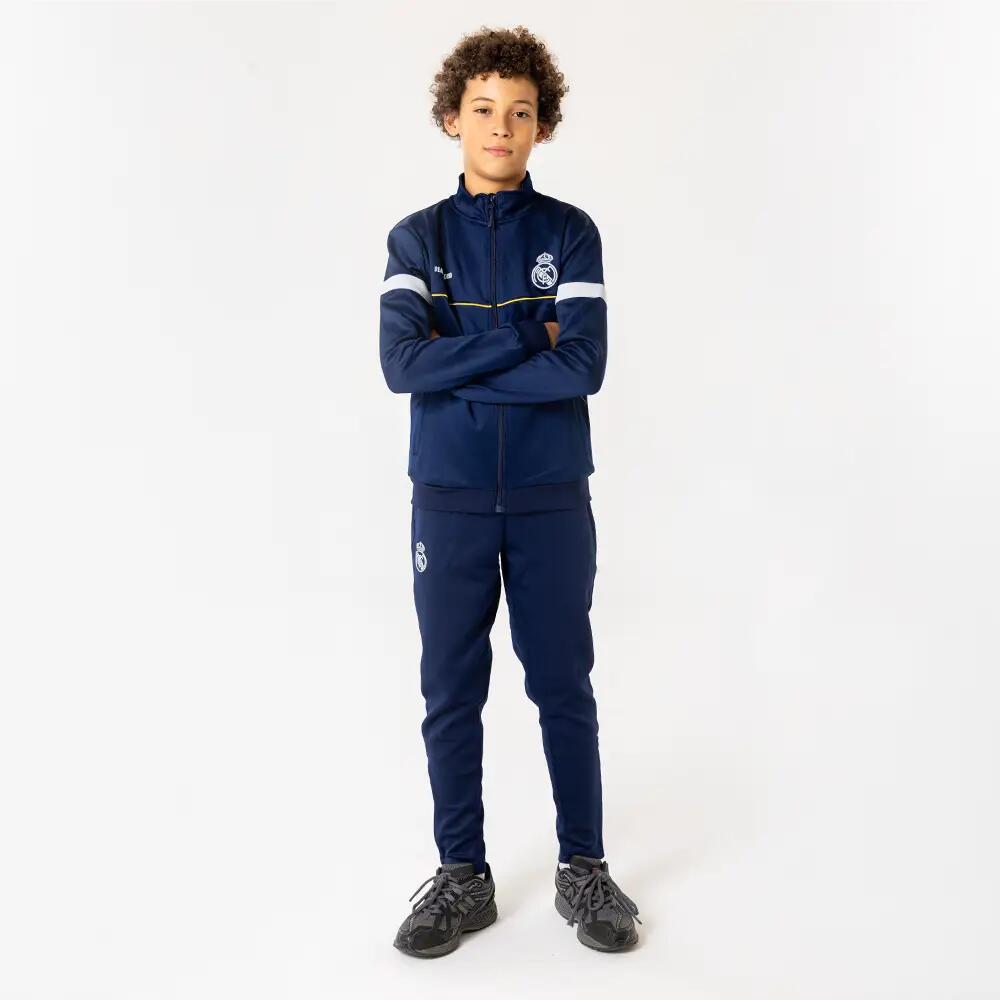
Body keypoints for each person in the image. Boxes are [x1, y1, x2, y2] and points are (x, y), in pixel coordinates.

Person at [378, 25, 641, 958]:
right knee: (450, 690)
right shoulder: (417, 238)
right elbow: (401, 366)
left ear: (542, 126)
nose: (501, 126)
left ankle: (585, 868)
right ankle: (462, 876)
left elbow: (585, 367)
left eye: (520, 112)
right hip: (447, 498)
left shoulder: (571, 233)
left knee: (563, 684)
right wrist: (530, 338)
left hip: (549, 497)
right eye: (484, 109)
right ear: (453, 118)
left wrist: (461, 361)